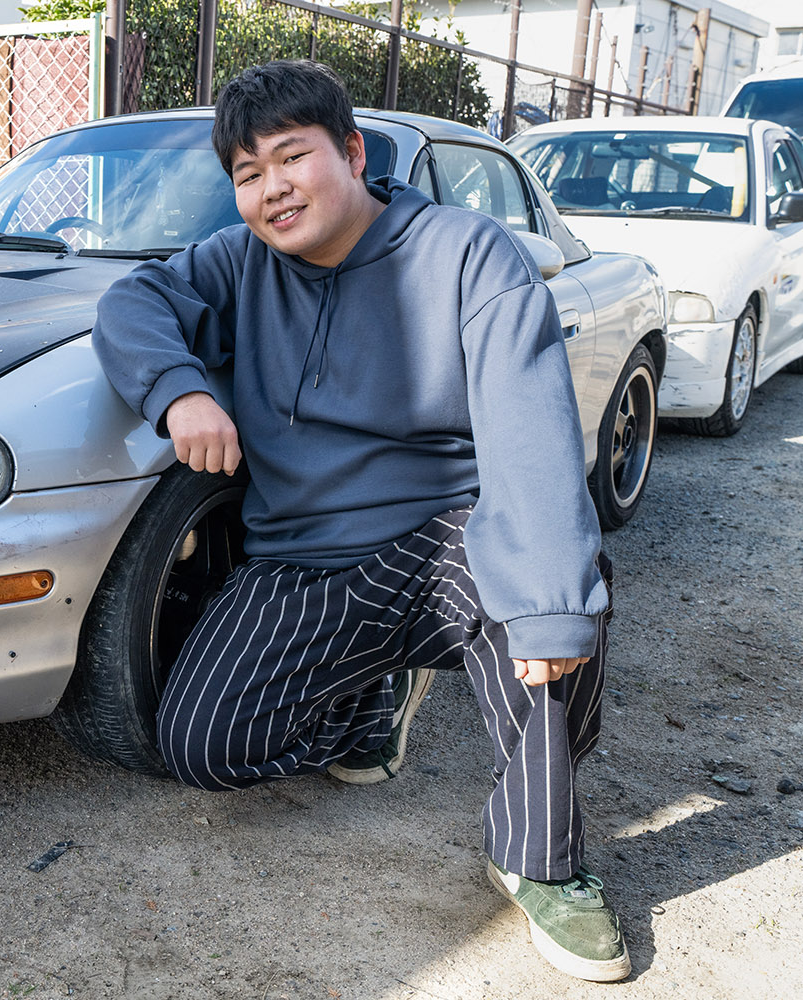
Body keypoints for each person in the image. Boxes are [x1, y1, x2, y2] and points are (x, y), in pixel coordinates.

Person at [91, 60, 627, 983]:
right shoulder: (236, 262)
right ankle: (371, 704)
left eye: (290, 158)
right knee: (202, 746)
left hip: (450, 532)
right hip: (304, 557)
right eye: (247, 174)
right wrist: (179, 392)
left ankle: (541, 860)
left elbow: (529, 433)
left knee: (548, 631)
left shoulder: (468, 253)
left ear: (352, 151)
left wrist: (550, 604)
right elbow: (133, 302)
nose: (269, 189)